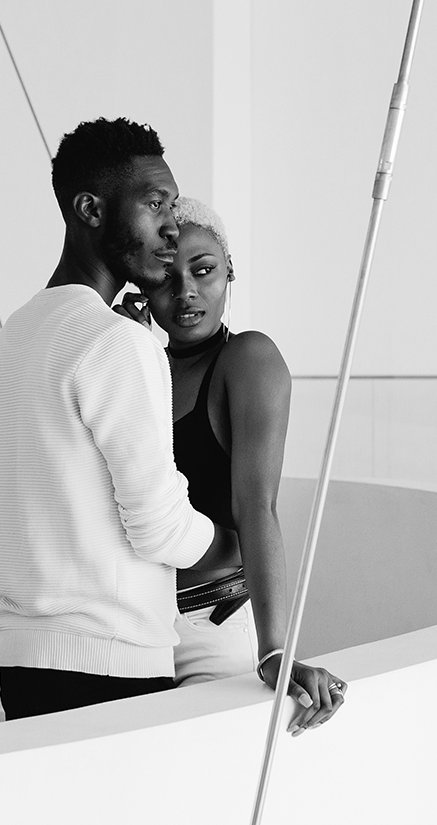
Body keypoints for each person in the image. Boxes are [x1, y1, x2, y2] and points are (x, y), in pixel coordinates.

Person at [0, 117, 233, 721]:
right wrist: (229, 545)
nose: (171, 227)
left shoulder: (14, 334)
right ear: (89, 209)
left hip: (22, 664)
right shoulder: (115, 341)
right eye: (153, 204)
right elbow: (160, 526)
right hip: (109, 665)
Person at [127, 197, 347, 735]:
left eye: (203, 271)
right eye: (164, 278)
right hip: (131, 624)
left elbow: (258, 507)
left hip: (211, 624)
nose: (186, 293)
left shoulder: (247, 359)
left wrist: (276, 651)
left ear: (230, 271)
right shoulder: (135, 362)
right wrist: (123, 343)